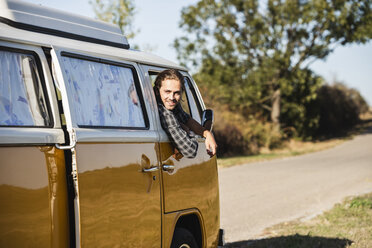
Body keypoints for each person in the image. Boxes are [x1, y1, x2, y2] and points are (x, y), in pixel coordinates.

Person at [154, 69, 217, 159]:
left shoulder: (170, 104)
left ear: (181, 92)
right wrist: (187, 131)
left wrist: (207, 133)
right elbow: (190, 151)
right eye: (167, 92)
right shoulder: (164, 113)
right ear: (157, 91)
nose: (172, 97)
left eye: (176, 93)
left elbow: (186, 119)